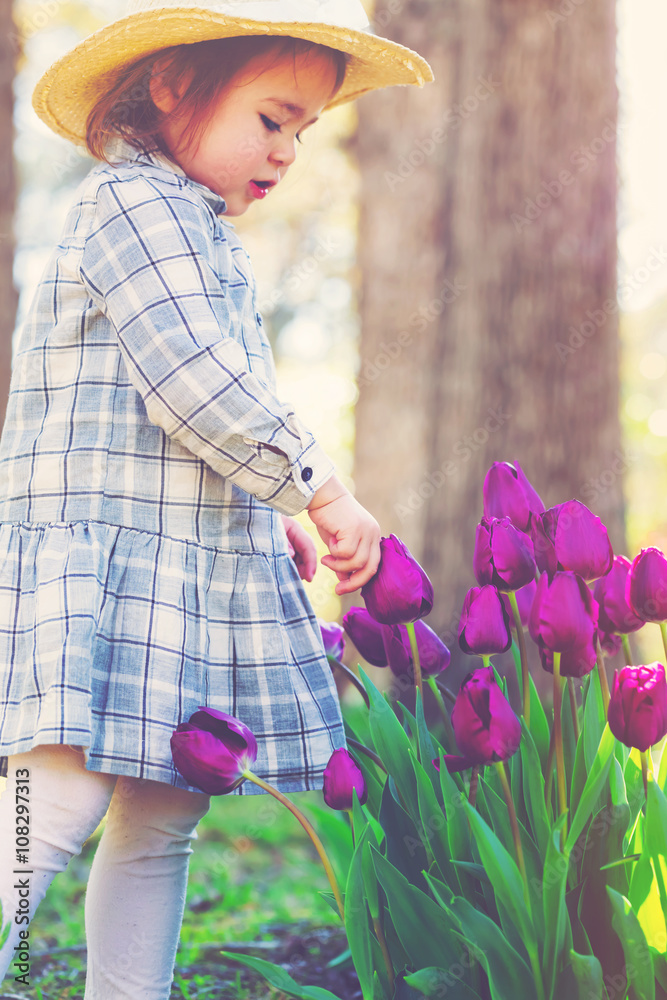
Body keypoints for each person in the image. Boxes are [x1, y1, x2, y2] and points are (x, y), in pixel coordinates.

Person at [0, 0, 432, 994]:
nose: (284, 153)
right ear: (171, 86)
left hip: (173, 566)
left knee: (162, 817)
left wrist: (263, 502)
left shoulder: (204, 233)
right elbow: (193, 376)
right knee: (53, 800)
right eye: (270, 118)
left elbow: (201, 410)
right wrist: (319, 486)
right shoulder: (133, 208)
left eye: (302, 132)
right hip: (103, 561)